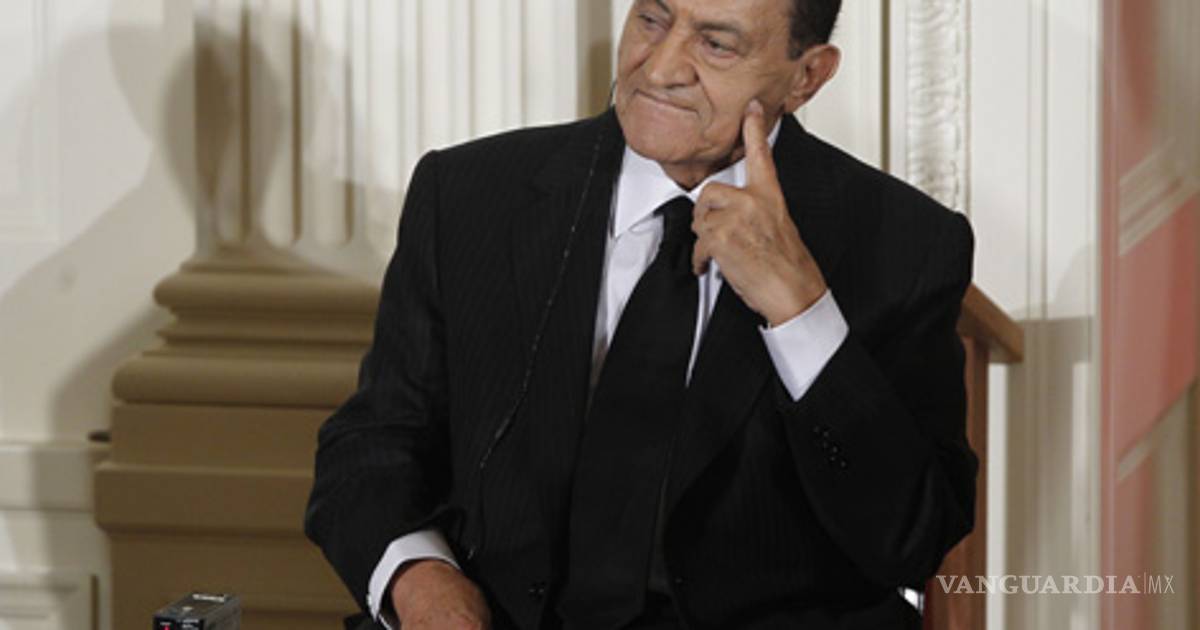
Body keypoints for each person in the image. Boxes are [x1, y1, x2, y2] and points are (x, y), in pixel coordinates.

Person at [304, 0, 978, 628]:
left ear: (807, 77)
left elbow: (911, 538)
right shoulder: (471, 194)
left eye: (716, 45)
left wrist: (800, 310)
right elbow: (373, 447)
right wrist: (422, 584)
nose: (659, 68)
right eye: (652, 19)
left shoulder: (907, 245)